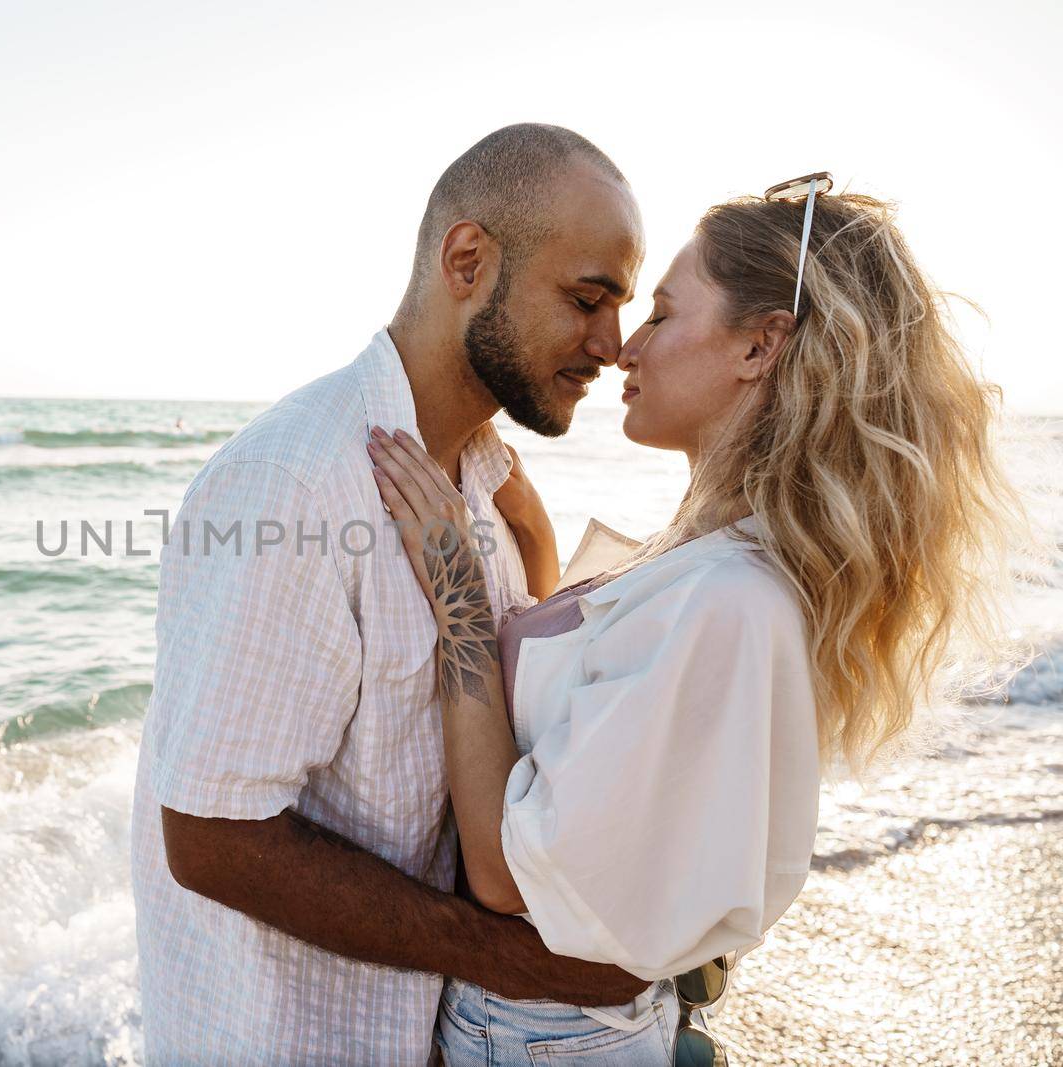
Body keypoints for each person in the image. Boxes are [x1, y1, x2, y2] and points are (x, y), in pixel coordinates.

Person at [368, 177, 1025, 1064]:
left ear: (761, 345)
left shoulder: (728, 599)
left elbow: (502, 870)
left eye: (664, 315)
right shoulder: (712, 560)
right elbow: (596, 723)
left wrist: (457, 593)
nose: (624, 348)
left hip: (542, 1038)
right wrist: (527, 540)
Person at [129, 124, 646, 1063]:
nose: (612, 344)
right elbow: (209, 838)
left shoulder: (482, 481)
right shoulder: (296, 485)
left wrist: (531, 536)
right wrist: (517, 962)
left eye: (622, 308)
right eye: (586, 299)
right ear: (467, 260)